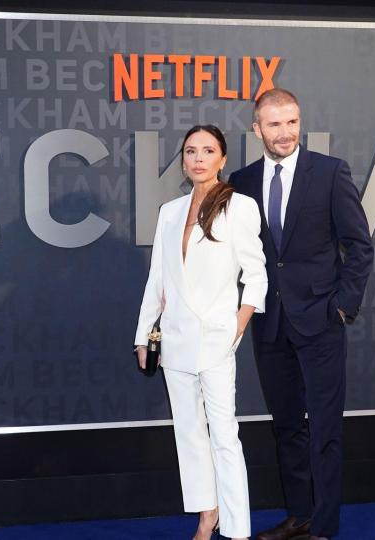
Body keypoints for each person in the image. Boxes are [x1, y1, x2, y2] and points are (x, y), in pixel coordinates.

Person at [229, 89, 374, 540]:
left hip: (321, 322)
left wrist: (342, 307)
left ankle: (324, 527)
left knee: (325, 429)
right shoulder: (242, 180)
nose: (286, 132)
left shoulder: (329, 173)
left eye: (292, 122)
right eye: (274, 124)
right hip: (269, 324)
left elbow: (360, 246)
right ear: (257, 129)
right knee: (287, 426)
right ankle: (299, 516)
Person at [135, 125, 267, 540]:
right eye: (191, 151)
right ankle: (206, 515)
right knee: (189, 434)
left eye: (208, 150)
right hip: (174, 339)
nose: (198, 158)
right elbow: (158, 278)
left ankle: (238, 529)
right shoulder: (170, 212)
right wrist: (143, 335)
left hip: (216, 338)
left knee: (225, 435)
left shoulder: (240, 206)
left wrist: (238, 323)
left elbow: (257, 273)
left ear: (222, 159)